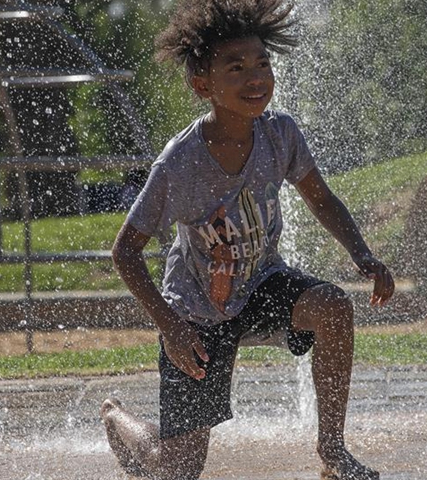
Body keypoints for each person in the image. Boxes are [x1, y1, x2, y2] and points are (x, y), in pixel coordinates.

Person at [99, 1, 394, 479]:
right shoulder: (179, 164)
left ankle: (332, 451)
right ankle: (117, 419)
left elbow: (321, 198)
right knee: (174, 472)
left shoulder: (280, 134)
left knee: (333, 305)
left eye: (262, 64)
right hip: (195, 316)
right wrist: (171, 327)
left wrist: (363, 255)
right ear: (203, 85)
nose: (255, 78)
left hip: (260, 287)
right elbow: (124, 252)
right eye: (235, 68)